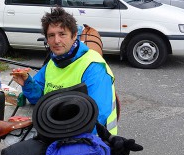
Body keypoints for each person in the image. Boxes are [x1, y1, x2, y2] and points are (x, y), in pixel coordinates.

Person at [11, 7, 118, 135]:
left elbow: (96, 116)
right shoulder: (53, 62)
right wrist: (28, 83)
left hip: (92, 141)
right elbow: (39, 100)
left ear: (74, 36)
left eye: (62, 34)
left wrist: (58, 139)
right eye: (51, 35)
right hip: (58, 129)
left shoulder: (94, 67)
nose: (56, 41)